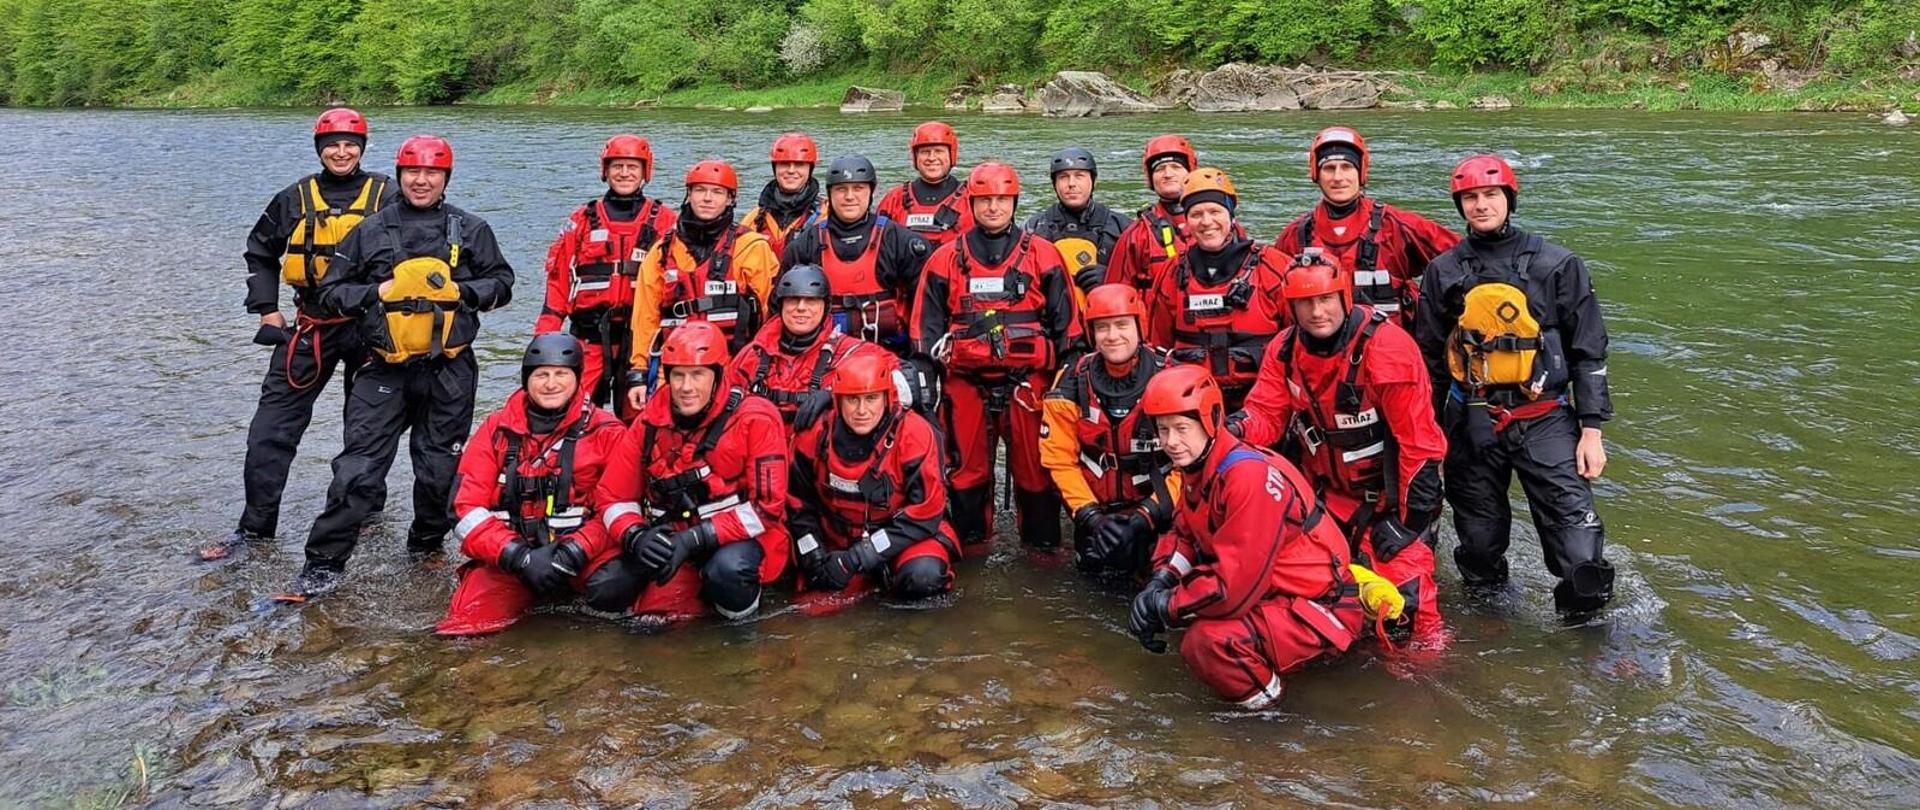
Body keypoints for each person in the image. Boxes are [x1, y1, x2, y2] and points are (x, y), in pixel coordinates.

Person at [280, 134, 516, 599]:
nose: (421, 181)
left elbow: (503, 282)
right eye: (413, 173)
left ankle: (426, 548)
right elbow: (329, 292)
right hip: (381, 368)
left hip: (449, 368)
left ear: (445, 178)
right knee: (358, 470)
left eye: (432, 173)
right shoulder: (370, 230)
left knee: (439, 470)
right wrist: (376, 293)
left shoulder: (470, 228)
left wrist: (465, 293)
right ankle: (323, 565)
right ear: (400, 176)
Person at [1413, 154, 1616, 616]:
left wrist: (1591, 431)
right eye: (1470, 198)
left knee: (1582, 558)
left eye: (1490, 195)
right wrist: (1429, 438)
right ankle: (1492, 632)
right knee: (1480, 550)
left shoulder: (1558, 264)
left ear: (1509, 199)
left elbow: (1588, 350)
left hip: (1544, 418)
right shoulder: (1443, 271)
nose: (1480, 206)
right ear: (1459, 205)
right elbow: (1430, 362)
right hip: (1470, 418)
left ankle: (1586, 642)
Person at [1231, 252, 1449, 641]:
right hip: (1324, 501)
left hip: (1388, 506)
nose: (1317, 312)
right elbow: (1265, 414)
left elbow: (1420, 445)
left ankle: (1423, 688)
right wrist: (1233, 429)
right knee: (1282, 596)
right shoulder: (1284, 351)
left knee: (1407, 620)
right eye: (1304, 303)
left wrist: (1409, 524)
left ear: (1344, 296)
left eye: (1325, 300)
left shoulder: (1386, 349)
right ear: (1291, 305)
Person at [210, 108, 397, 561]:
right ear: (319, 148)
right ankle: (255, 528)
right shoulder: (293, 198)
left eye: (350, 144)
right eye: (331, 144)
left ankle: (364, 515)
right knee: (270, 430)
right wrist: (266, 310)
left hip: (372, 325)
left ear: (362, 148)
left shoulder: (389, 195)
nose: (341, 151)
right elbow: (260, 252)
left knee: (367, 429)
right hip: (312, 326)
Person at [1127, 365, 1366, 709]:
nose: (1170, 443)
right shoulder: (1204, 465)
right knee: (1184, 610)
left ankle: (1269, 718)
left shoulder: (1246, 478)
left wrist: (1165, 606)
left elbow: (1232, 589)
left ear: (1210, 421)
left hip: (1322, 606)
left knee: (1207, 642)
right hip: (1279, 594)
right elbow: (1184, 534)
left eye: (1181, 428)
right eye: (1162, 430)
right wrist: (1160, 581)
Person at [912, 161, 1080, 549]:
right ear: (971, 203)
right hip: (965, 385)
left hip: (1029, 385)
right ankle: (972, 552)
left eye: (1001, 200)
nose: (993, 208)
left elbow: (1068, 329)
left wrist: (1065, 386)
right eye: (984, 200)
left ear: (1014, 202)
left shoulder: (1044, 255)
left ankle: (1042, 557)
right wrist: (925, 385)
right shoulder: (944, 260)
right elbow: (926, 330)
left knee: (1037, 477)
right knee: (966, 476)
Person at [591, 322, 789, 619]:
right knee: (607, 590)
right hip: (674, 537)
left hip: (742, 540)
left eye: (697, 375)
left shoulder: (756, 418)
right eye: (678, 376)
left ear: (718, 375)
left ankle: (745, 628)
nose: (686, 387)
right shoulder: (648, 423)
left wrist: (697, 538)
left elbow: (767, 509)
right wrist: (636, 536)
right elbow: (612, 496)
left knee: (727, 574)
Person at [437, 335, 627, 636]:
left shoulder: (608, 432)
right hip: (511, 559)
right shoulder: (495, 430)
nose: (551, 384)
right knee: (464, 630)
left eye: (561, 373)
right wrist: (518, 556)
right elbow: (464, 510)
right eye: (541, 375)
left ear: (578, 377)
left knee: (616, 589)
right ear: (527, 380)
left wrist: (572, 553)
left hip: (582, 556)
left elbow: (620, 508)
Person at [788, 352, 958, 599]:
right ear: (837, 401)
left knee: (923, 579)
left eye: (871, 399)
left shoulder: (914, 435)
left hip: (902, 535)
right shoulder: (813, 434)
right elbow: (797, 503)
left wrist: (860, 556)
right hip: (836, 538)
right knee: (812, 606)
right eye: (852, 400)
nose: (862, 411)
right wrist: (812, 553)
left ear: (887, 398)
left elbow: (926, 513)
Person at [534, 134, 678, 410]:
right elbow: (558, 283)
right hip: (589, 338)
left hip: (639, 344)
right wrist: (545, 343)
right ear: (606, 171)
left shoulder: (666, 221)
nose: (624, 173)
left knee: (641, 419)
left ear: (645, 171)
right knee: (572, 411)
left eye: (632, 167)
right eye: (617, 166)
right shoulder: (580, 221)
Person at [1040, 284, 1176, 575]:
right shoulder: (1072, 381)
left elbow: (1192, 462)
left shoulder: (1170, 376)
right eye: (1102, 328)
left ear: (1139, 325)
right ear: (1091, 333)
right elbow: (1059, 460)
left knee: (1158, 576)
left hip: (1158, 507)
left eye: (1122, 325)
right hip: (1099, 512)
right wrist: (1090, 516)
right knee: (1094, 568)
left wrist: (1147, 514)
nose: (1112, 336)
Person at [626, 159, 779, 412]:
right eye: (700, 190)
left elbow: (768, 318)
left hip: (733, 366)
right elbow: (645, 318)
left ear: (730, 199)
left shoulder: (751, 247)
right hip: (675, 370)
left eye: (717, 192)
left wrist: (763, 369)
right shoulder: (663, 251)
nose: (707, 198)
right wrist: (638, 372)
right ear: (689, 195)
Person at [1275, 127, 1460, 328]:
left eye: (1346, 166)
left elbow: (1465, 258)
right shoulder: (1295, 236)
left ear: (1360, 172)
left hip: (1389, 349)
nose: (1338, 177)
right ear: (1316, 174)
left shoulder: (1397, 226)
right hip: (1321, 352)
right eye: (1329, 168)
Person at [1145, 167, 1288, 412]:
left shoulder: (1272, 266)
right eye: (1196, 214)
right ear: (1187, 221)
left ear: (1231, 216)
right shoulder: (1173, 273)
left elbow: (1297, 342)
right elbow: (1158, 343)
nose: (1206, 221)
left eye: (1215, 211)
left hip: (1262, 402)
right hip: (1193, 404)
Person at [780, 154, 933, 357]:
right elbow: (780, 308)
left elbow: (928, 309)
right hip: (823, 356)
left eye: (858, 188)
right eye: (841, 189)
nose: (849, 196)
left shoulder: (900, 242)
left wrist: (922, 359)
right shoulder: (804, 246)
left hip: (890, 353)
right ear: (830, 194)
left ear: (872, 192)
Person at [724, 264, 906, 428]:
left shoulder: (852, 353)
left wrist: (834, 395)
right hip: (763, 450)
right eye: (793, 300)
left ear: (825, 307)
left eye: (811, 301)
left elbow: (905, 388)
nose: (801, 308)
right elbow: (719, 400)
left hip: (819, 455)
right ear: (780, 306)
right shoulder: (753, 353)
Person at [1024, 147, 1128, 293]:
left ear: (1093, 182)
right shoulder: (1034, 227)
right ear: (1055, 184)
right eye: (1063, 177)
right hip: (1055, 311)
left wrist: (1112, 277)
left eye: (1079, 176)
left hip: (1106, 310)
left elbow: (1141, 277)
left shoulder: (1122, 226)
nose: (1071, 183)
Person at [1105, 134, 1198, 291]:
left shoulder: (1220, 225)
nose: (1168, 174)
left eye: (1176, 167)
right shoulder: (1136, 235)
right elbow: (1115, 294)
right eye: (1160, 169)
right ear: (1151, 178)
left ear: (1190, 171)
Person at [877, 121, 972, 247]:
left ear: (951, 155)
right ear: (916, 157)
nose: (931, 158)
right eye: (925, 152)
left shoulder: (971, 198)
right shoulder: (894, 199)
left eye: (939, 151)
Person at [741, 132, 826, 255]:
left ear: (810, 169)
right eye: (784, 164)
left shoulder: (826, 214)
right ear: (775, 168)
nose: (791, 170)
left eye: (799, 164)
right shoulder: (754, 219)